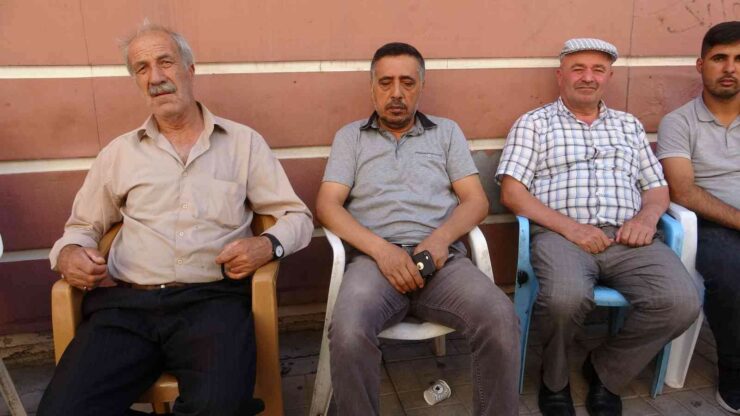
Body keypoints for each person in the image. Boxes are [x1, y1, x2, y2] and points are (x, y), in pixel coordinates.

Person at [38, 22, 313, 416]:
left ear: (189, 69)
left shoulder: (243, 143)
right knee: (62, 410)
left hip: (212, 303)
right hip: (127, 307)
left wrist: (266, 245)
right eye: (142, 68)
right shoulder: (119, 154)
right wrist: (69, 255)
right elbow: (82, 228)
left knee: (220, 406)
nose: (155, 78)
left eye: (165, 62)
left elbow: (297, 216)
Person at [497, 38, 700, 416]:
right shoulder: (534, 124)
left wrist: (646, 218)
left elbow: (657, 188)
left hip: (628, 236)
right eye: (578, 69)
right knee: (564, 298)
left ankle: (606, 371)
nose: (588, 77)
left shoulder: (629, 126)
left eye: (598, 70)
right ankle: (554, 379)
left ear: (609, 77)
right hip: (561, 237)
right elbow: (512, 193)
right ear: (560, 76)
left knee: (681, 302)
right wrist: (572, 229)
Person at [316, 42, 520, 415]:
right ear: (372, 87)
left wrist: (440, 240)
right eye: (386, 82)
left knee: (500, 316)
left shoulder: (446, 132)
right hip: (374, 264)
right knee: (348, 331)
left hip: (442, 263)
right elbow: (328, 205)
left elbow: (476, 201)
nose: (396, 93)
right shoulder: (351, 137)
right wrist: (382, 251)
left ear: (421, 86)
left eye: (407, 82)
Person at [657, 21, 740, 414]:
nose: (730, 68)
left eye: (739, 59)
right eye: (720, 58)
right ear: (701, 65)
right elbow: (683, 191)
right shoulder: (679, 122)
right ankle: (734, 372)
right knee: (732, 276)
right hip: (708, 225)